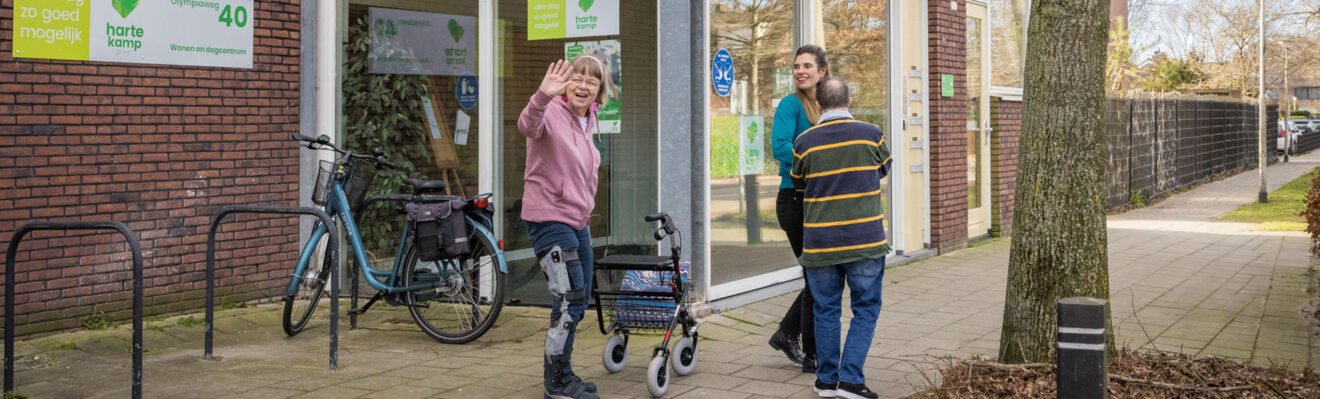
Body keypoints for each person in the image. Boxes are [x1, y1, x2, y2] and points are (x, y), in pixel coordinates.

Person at [790, 76, 891, 399]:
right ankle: (850, 380)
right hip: (865, 241)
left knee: (825, 310)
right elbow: (883, 170)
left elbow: (799, 184)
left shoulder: (804, 141)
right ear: (849, 102)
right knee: (865, 309)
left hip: (820, 243)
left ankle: (826, 381)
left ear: (818, 104)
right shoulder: (872, 135)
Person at [518, 56, 609, 399]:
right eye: (577, 79)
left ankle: (563, 370)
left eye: (591, 81)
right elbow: (527, 125)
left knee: (580, 298)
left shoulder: (589, 121)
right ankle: (556, 384)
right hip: (548, 217)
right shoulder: (550, 114)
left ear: (599, 90)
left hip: (577, 222)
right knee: (568, 297)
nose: (583, 86)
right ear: (565, 84)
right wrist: (542, 95)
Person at [769, 44, 830, 373]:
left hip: (821, 200)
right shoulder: (791, 106)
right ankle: (810, 353)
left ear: (822, 70)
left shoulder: (827, 105)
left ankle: (789, 334)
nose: (800, 71)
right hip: (795, 199)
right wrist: (817, 161)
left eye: (807, 65)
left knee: (819, 277)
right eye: (796, 66)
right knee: (816, 276)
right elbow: (779, 147)